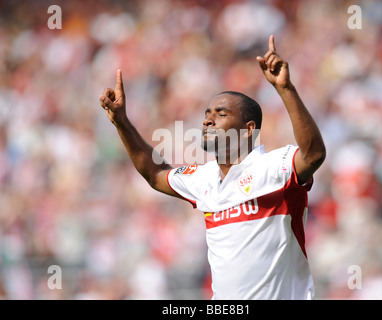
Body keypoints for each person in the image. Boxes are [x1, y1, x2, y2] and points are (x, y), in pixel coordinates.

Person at [99, 35, 326, 300]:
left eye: (220, 113)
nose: (207, 121)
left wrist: (285, 89)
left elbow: (313, 155)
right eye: (207, 114)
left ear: (248, 130)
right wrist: (121, 122)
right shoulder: (203, 178)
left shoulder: (273, 167)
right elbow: (155, 173)